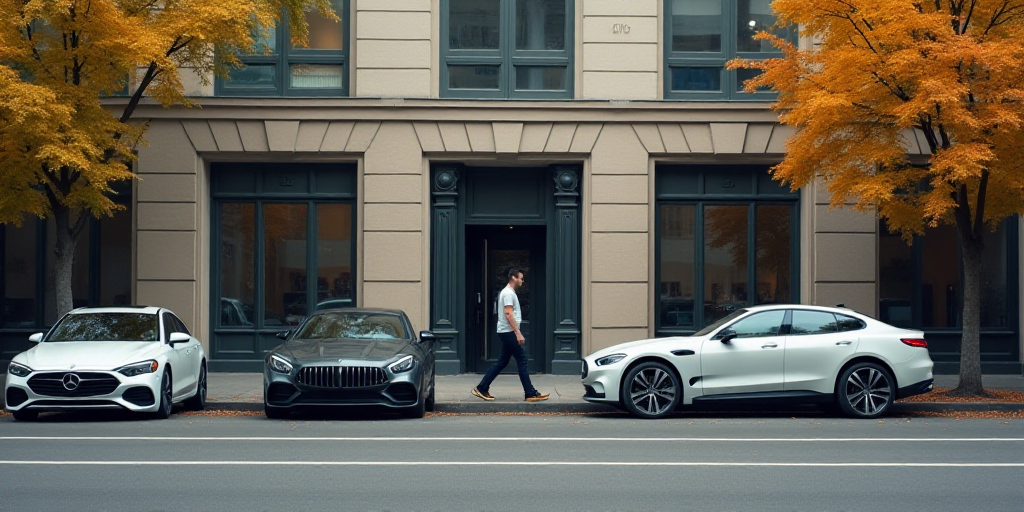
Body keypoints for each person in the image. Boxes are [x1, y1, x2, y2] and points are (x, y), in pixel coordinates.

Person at [472, 267, 550, 402]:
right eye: (521, 278)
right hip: (509, 332)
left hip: (506, 331)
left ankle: (482, 387)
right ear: (514, 277)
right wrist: (518, 333)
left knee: (502, 362)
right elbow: (509, 314)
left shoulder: (508, 292)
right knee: (522, 360)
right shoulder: (508, 293)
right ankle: (530, 392)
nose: (522, 281)